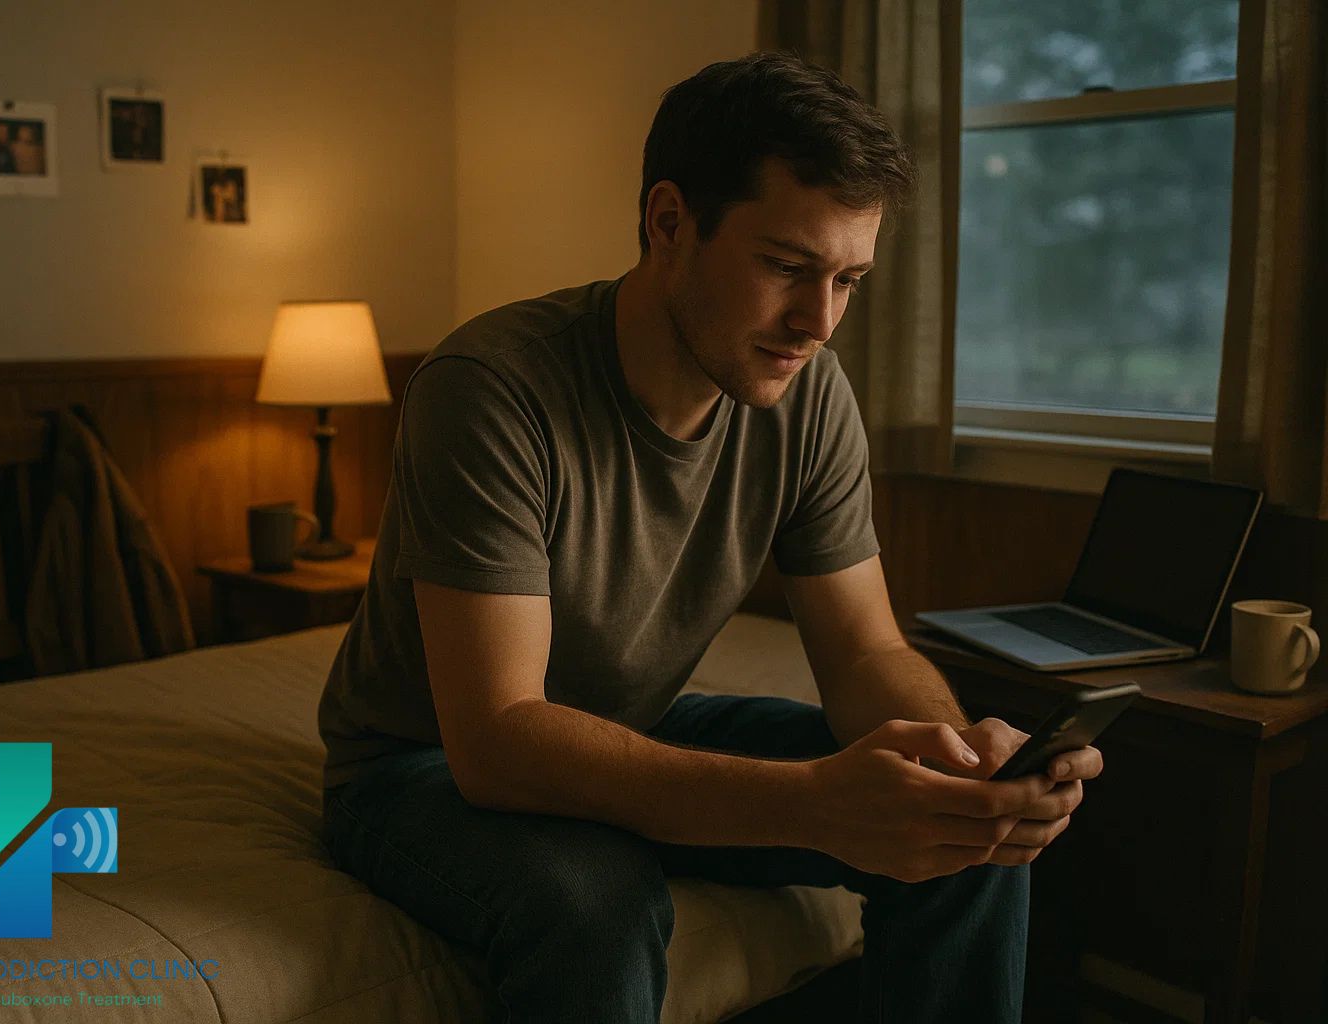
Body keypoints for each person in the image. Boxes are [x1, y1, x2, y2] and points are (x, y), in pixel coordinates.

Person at [318, 51, 1103, 1023]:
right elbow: (498, 739)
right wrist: (815, 801)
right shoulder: (492, 387)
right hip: (419, 764)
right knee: (601, 905)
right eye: (787, 267)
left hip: (634, 724)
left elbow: (864, 648)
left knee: (953, 831)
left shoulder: (806, 392)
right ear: (668, 223)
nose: (819, 322)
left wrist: (959, 763)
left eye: (848, 281)